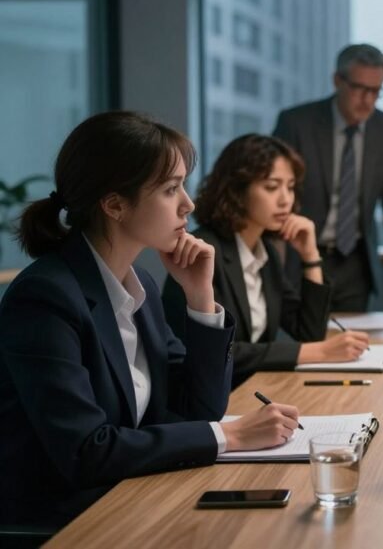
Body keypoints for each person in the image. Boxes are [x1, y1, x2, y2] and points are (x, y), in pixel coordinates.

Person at [0, 112, 301, 528]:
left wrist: (200, 297)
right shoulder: (46, 297)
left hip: (133, 496)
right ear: (115, 205)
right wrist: (231, 435)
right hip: (65, 523)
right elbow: (86, 451)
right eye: (171, 189)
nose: (188, 204)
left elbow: (200, 409)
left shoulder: (140, 284)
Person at [162, 134, 369, 389]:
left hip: (253, 389)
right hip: (208, 396)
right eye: (272, 187)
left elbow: (309, 333)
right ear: (238, 190)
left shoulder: (266, 252)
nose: (286, 199)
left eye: (290, 187)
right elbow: (219, 351)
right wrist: (319, 352)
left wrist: (310, 256)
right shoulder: (203, 252)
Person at [273, 43, 383, 311]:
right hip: (300, 256)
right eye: (360, 89)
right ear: (338, 80)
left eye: (376, 91)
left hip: (356, 264)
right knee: (306, 332)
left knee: (353, 336)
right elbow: (272, 192)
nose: (368, 100)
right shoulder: (297, 123)